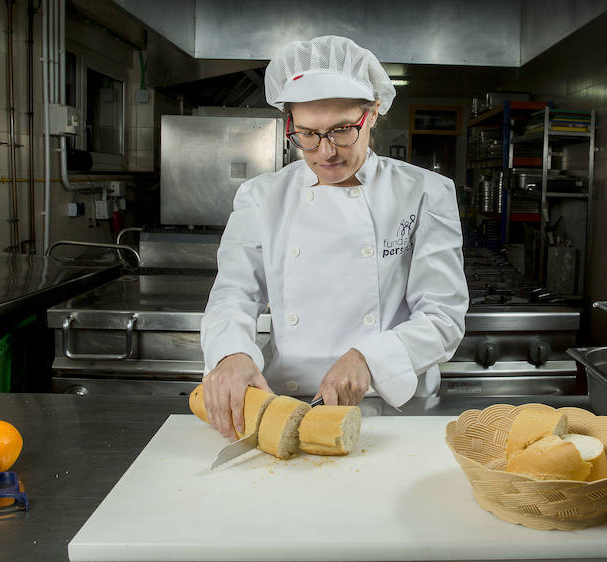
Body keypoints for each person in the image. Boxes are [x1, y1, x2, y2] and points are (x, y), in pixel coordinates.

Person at [200, 35, 468, 439]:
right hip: (285, 401)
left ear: (373, 113)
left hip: (393, 409)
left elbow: (443, 317)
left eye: (342, 131)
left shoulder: (425, 192)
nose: (324, 152)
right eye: (306, 134)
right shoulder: (261, 196)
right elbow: (233, 295)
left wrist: (368, 359)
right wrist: (232, 352)